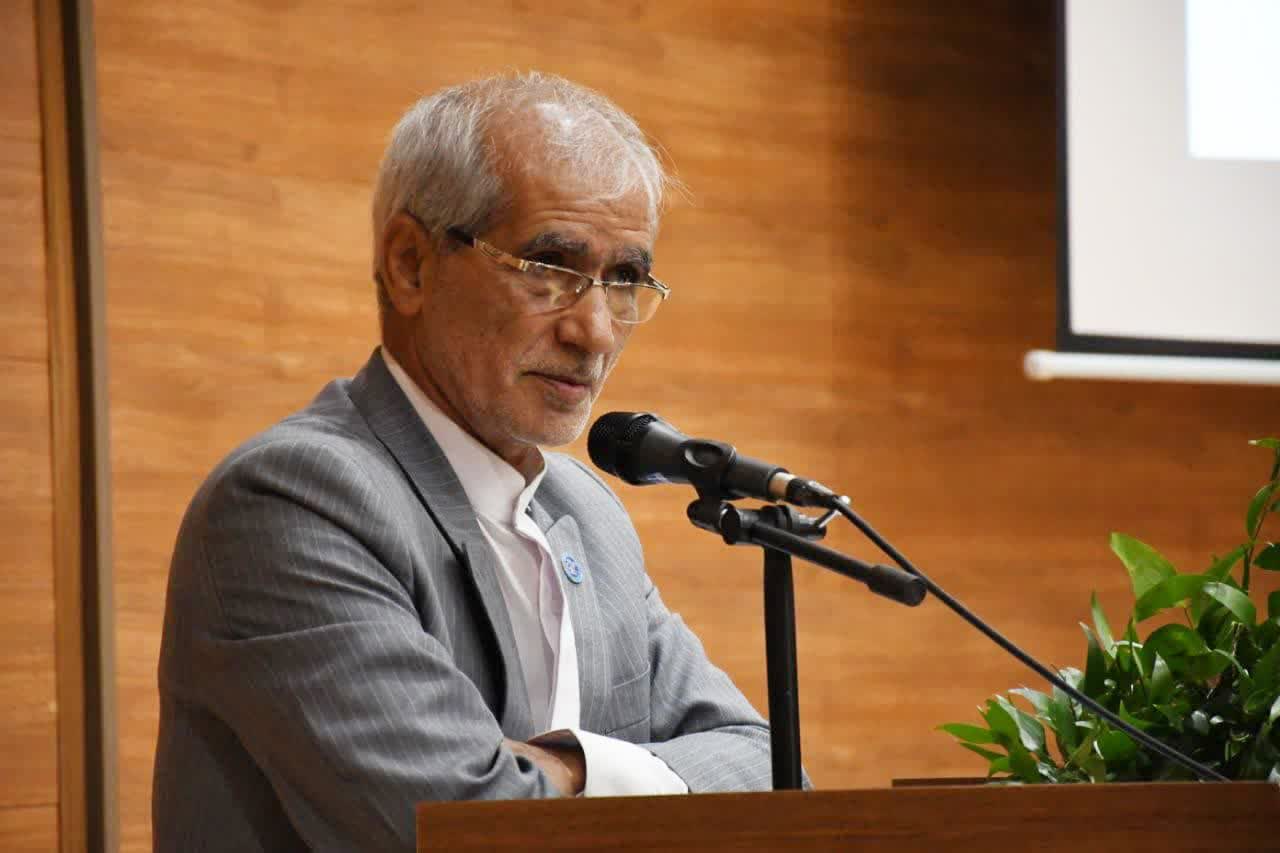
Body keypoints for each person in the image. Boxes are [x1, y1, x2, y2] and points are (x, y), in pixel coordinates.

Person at [152, 72, 775, 852]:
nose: (595, 331)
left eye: (624, 279)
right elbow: (469, 826)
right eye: (550, 267)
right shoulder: (291, 504)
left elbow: (767, 766)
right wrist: (636, 779)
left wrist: (575, 767)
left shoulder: (586, 515)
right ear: (411, 265)